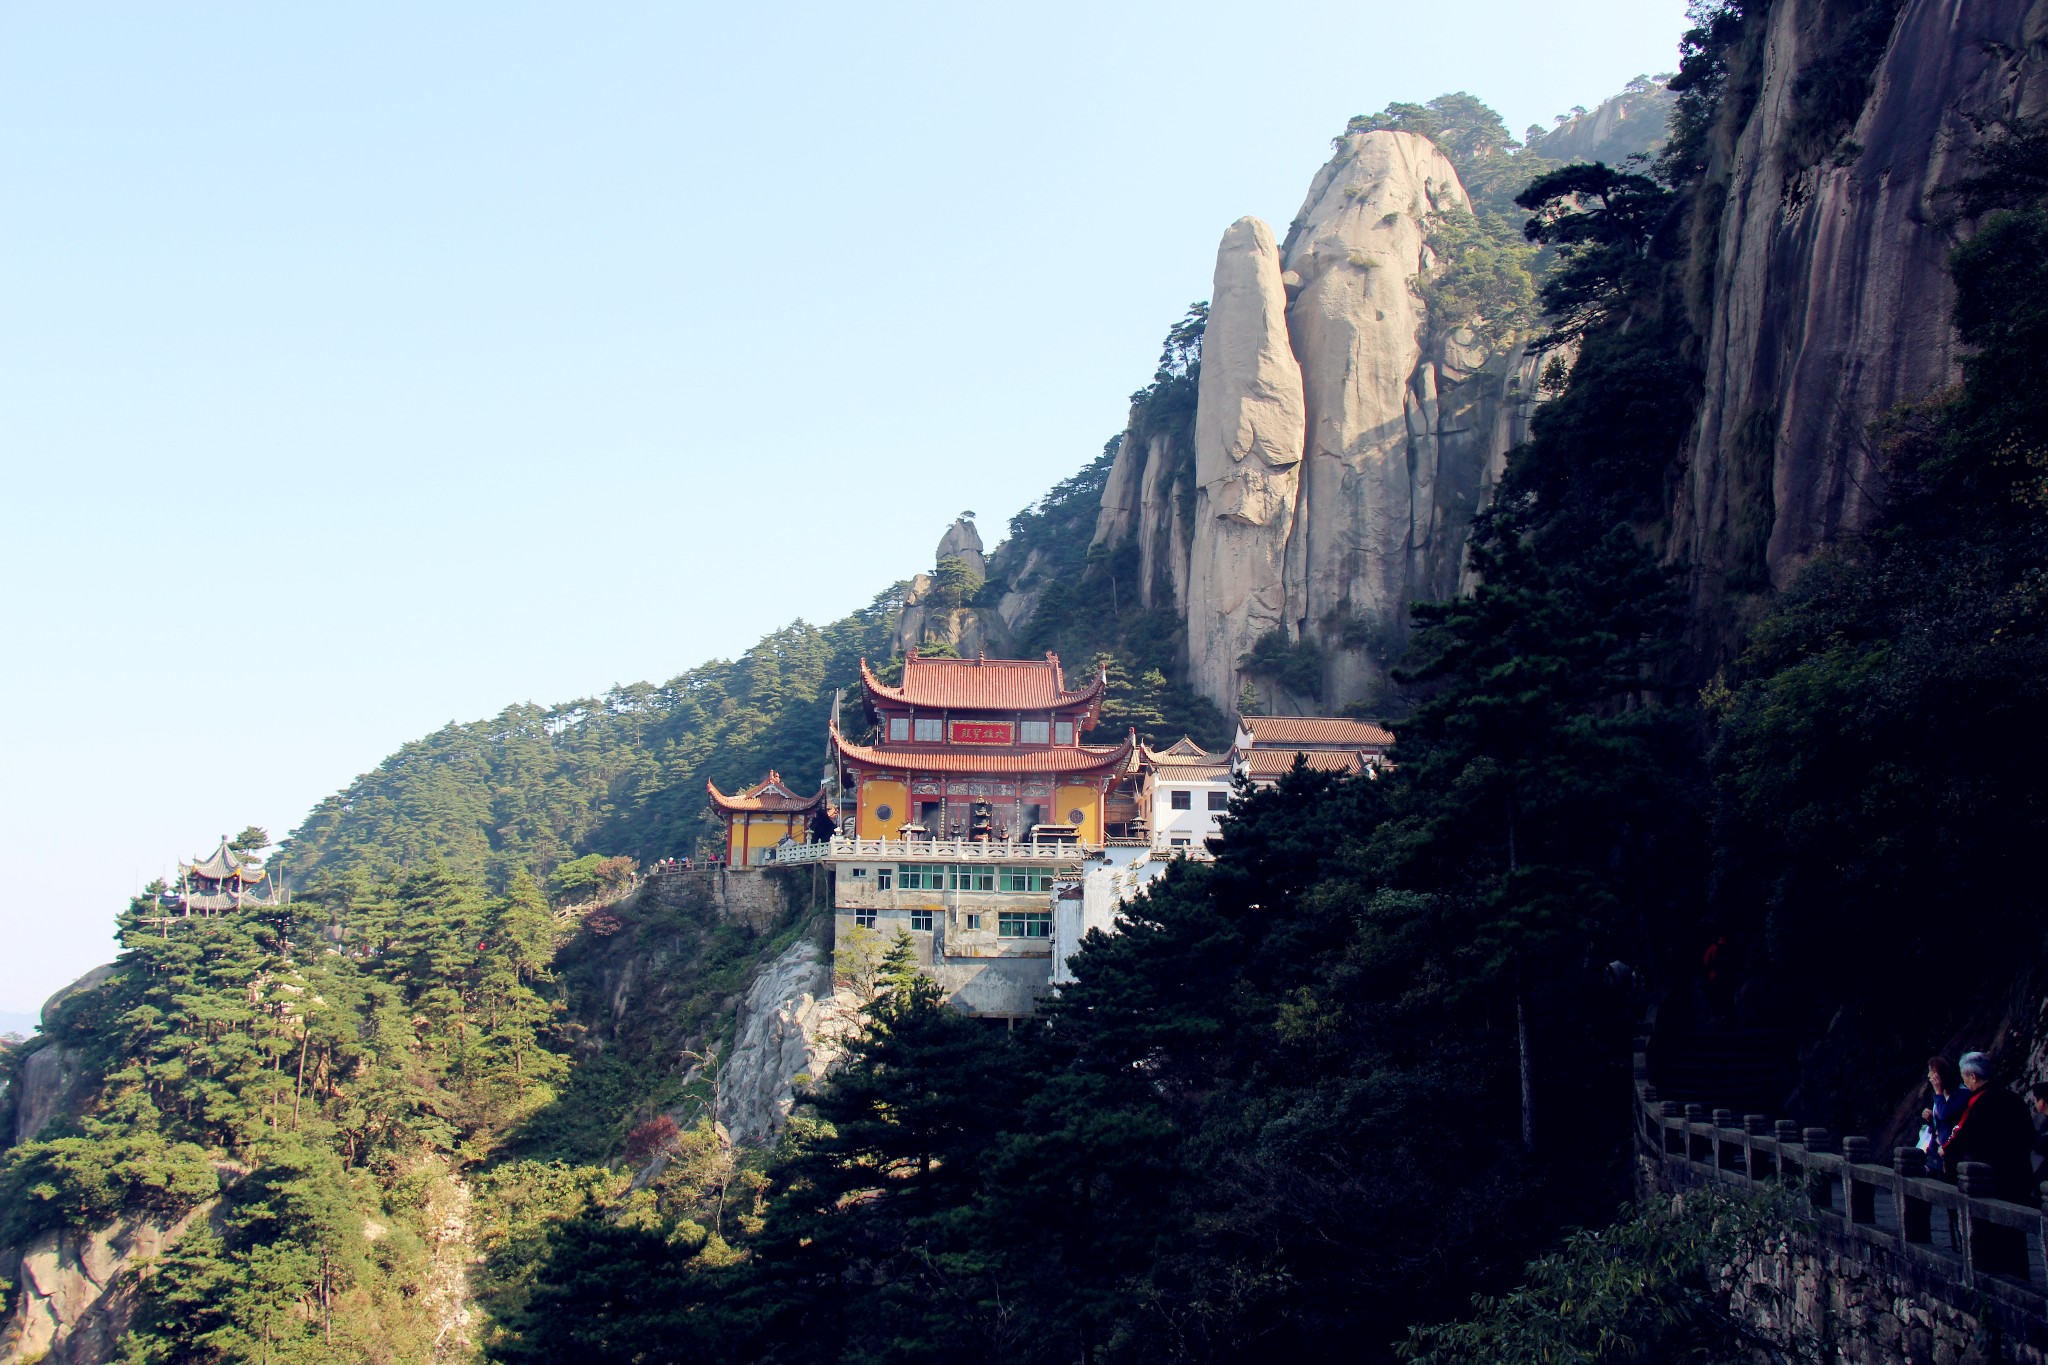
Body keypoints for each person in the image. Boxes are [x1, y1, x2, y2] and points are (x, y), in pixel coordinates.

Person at [1940, 1052, 2037, 1203]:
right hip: (2020, 1172)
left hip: (1990, 1176)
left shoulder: (1978, 1101)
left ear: (1973, 1076)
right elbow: (2030, 1135)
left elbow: (1961, 1132)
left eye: (1964, 1077)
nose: (1964, 1082)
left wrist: (1945, 1148)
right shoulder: (2015, 1099)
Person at [1923, 1056, 1968, 1174]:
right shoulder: (1942, 1093)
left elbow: (1945, 1115)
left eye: (1931, 1071)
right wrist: (1929, 1118)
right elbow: (1938, 1122)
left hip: (1950, 1149)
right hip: (1936, 1147)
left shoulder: (1962, 1094)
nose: (1929, 1076)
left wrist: (1938, 1093)